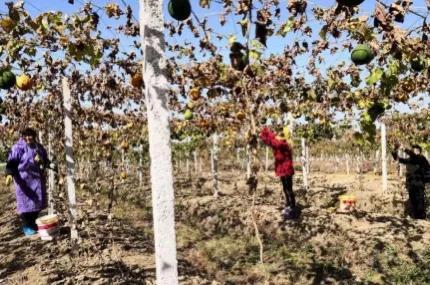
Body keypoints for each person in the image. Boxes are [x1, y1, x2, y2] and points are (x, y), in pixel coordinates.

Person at [5, 128, 50, 236]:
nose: (28, 137)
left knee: (37, 204)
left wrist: (48, 163)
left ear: (34, 136)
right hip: (23, 180)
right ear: (23, 136)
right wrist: (10, 173)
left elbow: (45, 159)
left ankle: (32, 223)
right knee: (25, 205)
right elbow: (12, 161)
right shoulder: (18, 147)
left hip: (37, 180)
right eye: (26, 135)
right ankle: (26, 226)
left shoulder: (38, 147)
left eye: (31, 135)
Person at [260, 126, 299, 220]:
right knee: (286, 188)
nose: (276, 135)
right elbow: (270, 140)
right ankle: (289, 205)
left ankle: (292, 207)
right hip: (284, 168)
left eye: (277, 134)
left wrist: (265, 130)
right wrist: (266, 132)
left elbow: (271, 140)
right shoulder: (284, 142)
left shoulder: (282, 144)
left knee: (288, 189)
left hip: (285, 168)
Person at [392, 143, 430, 219]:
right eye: (413, 150)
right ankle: (416, 217)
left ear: (419, 151)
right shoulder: (409, 160)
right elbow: (398, 159)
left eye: (415, 150)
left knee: (420, 200)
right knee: (413, 200)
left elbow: (414, 156)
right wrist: (395, 150)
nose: (414, 151)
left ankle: (421, 217)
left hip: (419, 184)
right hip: (411, 183)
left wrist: (404, 148)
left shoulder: (422, 159)